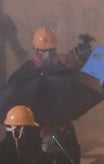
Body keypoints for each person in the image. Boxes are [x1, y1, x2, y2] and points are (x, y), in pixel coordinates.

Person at [7, 27, 80, 163]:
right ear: (35, 50)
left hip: (60, 125)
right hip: (34, 127)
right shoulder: (24, 73)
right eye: (43, 51)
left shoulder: (62, 70)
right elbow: (15, 96)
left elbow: (72, 94)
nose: (47, 55)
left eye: (51, 51)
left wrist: (60, 129)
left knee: (71, 155)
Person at [0, 0, 27, 82]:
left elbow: (15, 45)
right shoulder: (6, 20)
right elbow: (15, 46)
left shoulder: (6, 20)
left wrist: (23, 58)